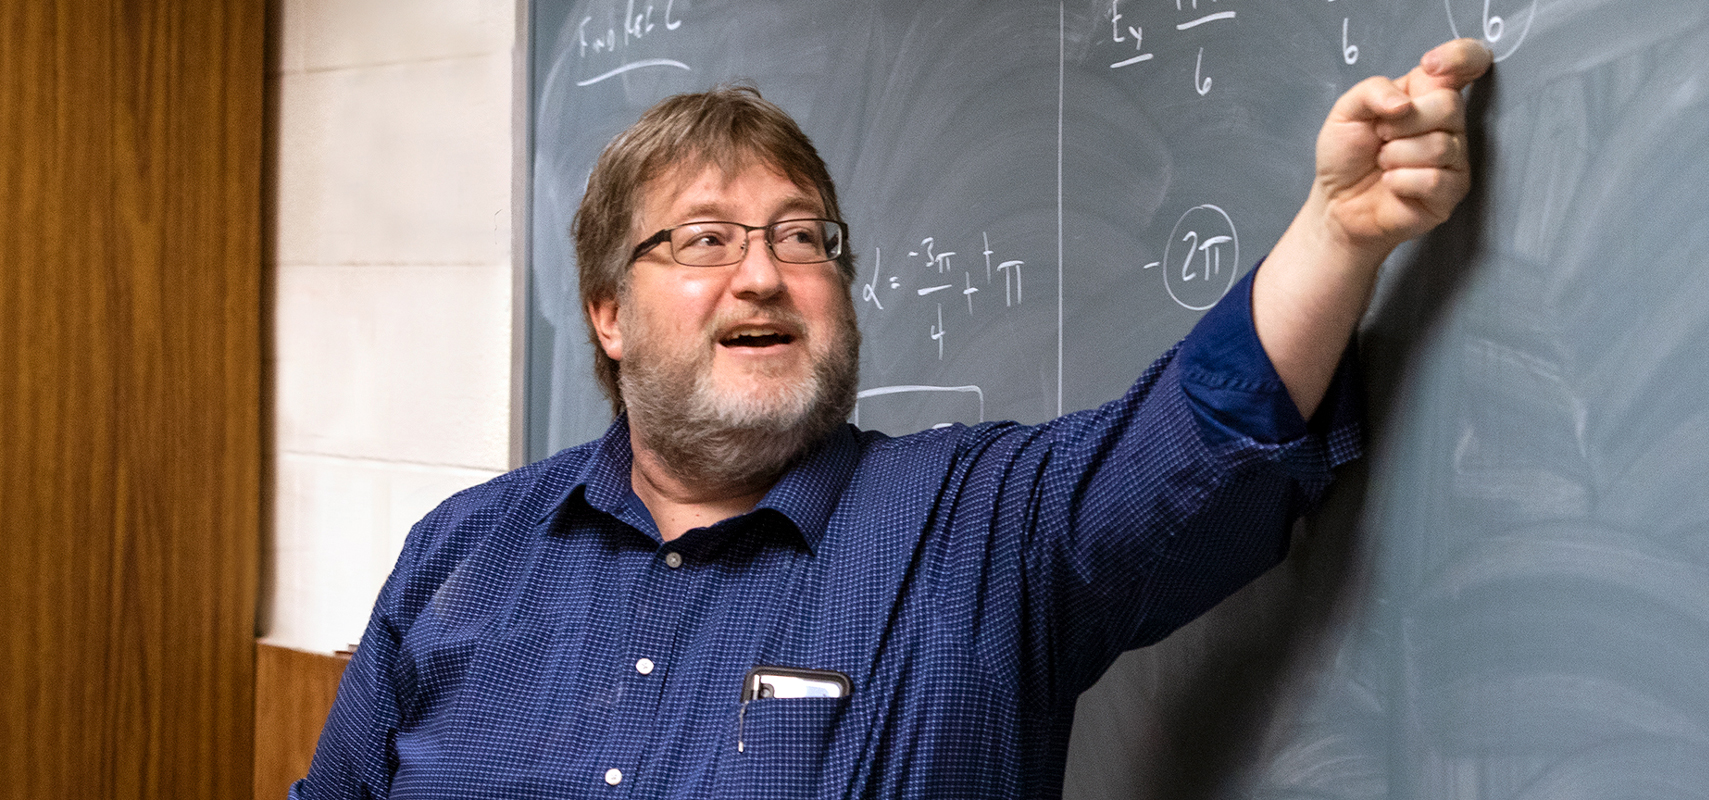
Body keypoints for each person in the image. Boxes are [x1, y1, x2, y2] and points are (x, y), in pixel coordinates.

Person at [295, 38, 1492, 800]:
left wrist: (1340, 229)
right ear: (607, 314)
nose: (764, 274)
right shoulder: (463, 553)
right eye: (705, 239)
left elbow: (1203, 434)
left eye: (802, 236)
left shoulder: (981, 527)